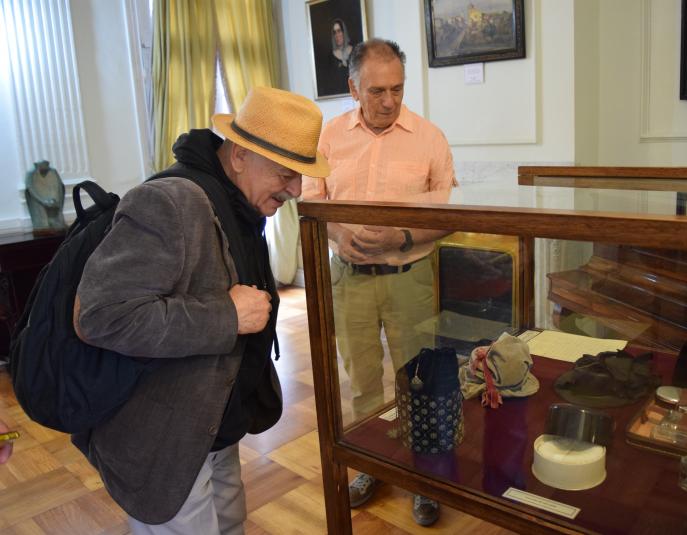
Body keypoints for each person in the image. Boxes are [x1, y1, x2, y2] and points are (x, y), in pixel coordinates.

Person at [73, 87, 329, 534]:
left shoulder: (238, 202)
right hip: (164, 442)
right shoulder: (170, 202)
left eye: (300, 175)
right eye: (286, 173)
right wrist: (227, 317)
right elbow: (100, 316)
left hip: (214, 426)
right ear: (240, 156)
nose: (296, 189)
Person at [302, 38, 457, 527]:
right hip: (350, 281)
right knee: (364, 379)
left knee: (419, 380)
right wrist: (338, 234)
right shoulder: (328, 139)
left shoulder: (429, 138)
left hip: (410, 278)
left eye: (397, 89)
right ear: (353, 88)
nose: (389, 101)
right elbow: (310, 202)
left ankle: (424, 479)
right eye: (376, 91)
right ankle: (374, 465)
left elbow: (451, 215)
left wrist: (403, 235)